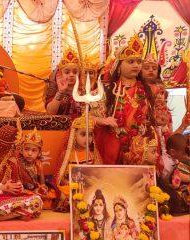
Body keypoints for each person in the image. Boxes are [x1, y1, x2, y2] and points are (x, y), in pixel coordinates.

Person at [97, 34, 156, 165]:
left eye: (139, 62)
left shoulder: (148, 90)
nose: (136, 65)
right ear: (118, 65)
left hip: (139, 145)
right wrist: (103, 120)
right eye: (130, 61)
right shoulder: (107, 89)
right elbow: (87, 118)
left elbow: (151, 118)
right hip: (112, 143)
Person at [0, 125, 43, 224]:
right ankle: (19, 213)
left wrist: (18, 188)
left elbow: (18, 183)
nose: (17, 151)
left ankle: (4, 216)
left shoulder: (14, 161)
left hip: (10, 199)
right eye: (16, 147)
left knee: (37, 200)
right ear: (8, 147)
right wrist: (3, 188)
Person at [55, 114, 102, 212]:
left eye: (90, 135)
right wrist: (68, 183)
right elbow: (60, 177)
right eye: (83, 134)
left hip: (89, 186)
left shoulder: (93, 154)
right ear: (74, 135)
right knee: (64, 194)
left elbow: (99, 175)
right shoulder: (67, 154)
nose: (87, 138)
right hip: (72, 186)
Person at [45, 48, 81, 117]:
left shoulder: (83, 93)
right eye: (67, 72)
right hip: (61, 126)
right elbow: (50, 113)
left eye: (75, 72)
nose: (71, 75)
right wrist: (60, 92)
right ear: (59, 75)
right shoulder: (56, 92)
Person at [17, 128, 48, 200]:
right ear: (21, 150)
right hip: (22, 191)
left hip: (34, 189)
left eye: (34, 150)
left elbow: (42, 184)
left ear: (39, 153)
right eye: (26, 149)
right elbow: (17, 185)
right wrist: (32, 192)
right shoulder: (17, 163)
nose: (29, 153)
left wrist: (42, 188)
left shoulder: (38, 164)